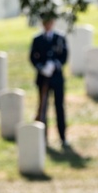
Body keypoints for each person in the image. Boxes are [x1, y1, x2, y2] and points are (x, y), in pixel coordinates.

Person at [30, 13, 69, 148]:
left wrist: (55, 64)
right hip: (43, 79)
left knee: (59, 107)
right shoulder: (37, 39)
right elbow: (33, 57)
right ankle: (43, 137)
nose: (47, 24)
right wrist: (41, 68)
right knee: (43, 108)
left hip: (57, 78)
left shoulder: (60, 37)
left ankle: (63, 137)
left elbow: (64, 56)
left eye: (50, 21)